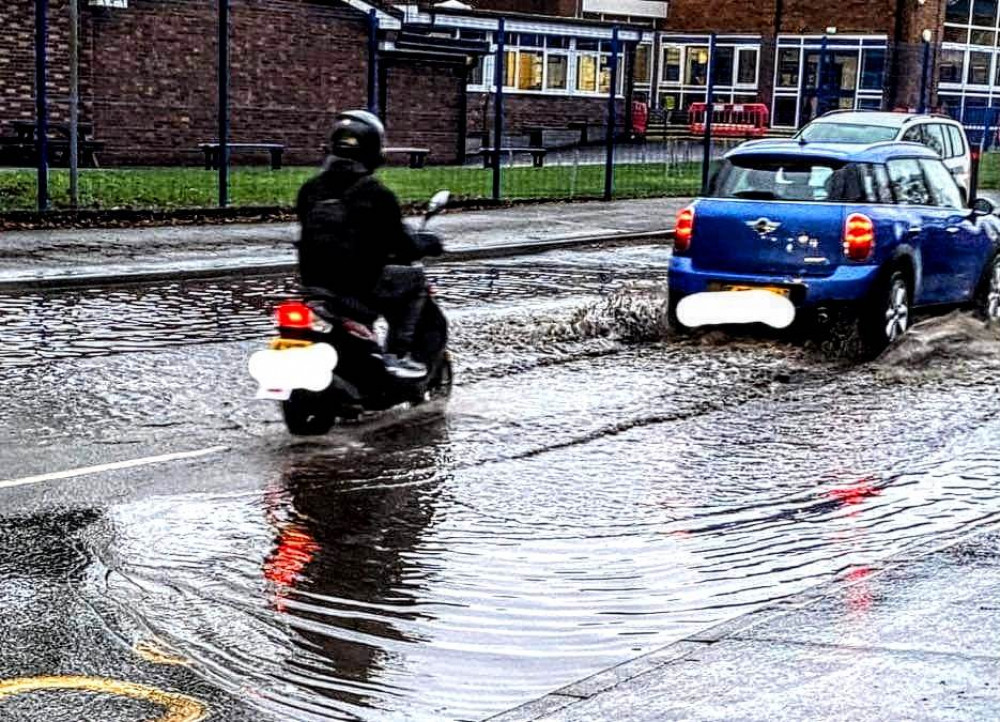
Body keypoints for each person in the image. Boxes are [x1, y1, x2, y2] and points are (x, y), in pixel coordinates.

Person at [295, 110, 434, 379]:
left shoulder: (310, 189)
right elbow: (402, 245)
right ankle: (397, 354)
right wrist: (426, 243)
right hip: (360, 287)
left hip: (314, 285)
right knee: (415, 280)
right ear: (374, 150)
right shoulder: (376, 195)